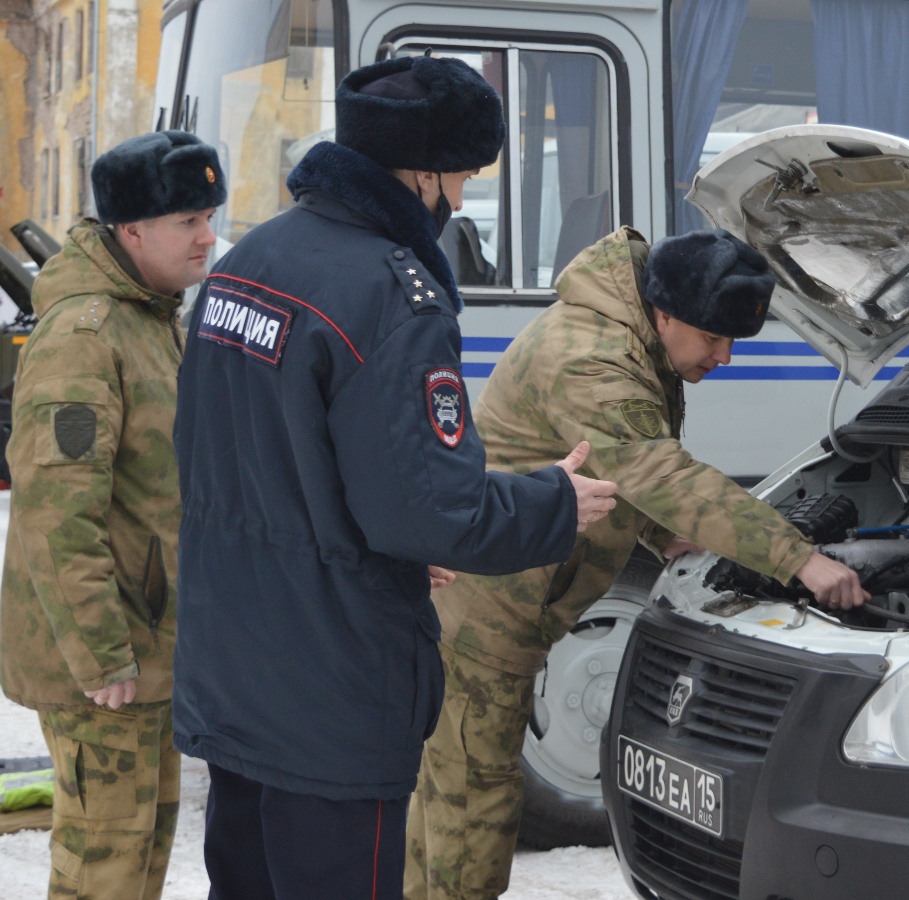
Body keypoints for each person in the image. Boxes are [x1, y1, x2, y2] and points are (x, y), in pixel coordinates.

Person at [169, 55, 618, 898]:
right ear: (421, 173)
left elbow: (238, 459)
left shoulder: (245, 263)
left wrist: (387, 535)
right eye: (463, 174)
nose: (462, 196)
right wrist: (556, 500)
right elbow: (430, 512)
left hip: (236, 672)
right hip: (331, 695)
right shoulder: (389, 294)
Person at [404, 226, 869, 898]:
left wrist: (659, 535)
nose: (726, 356)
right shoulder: (590, 356)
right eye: (714, 337)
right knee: (469, 813)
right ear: (665, 313)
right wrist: (797, 559)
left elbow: (617, 462)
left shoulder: (631, 335)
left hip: (505, 597)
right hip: (484, 615)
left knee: (454, 799)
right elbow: (658, 469)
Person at [0, 130, 225, 899]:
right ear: (132, 231)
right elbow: (56, 510)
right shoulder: (87, 335)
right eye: (189, 221)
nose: (209, 236)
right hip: (105, 660)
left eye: (209, 216)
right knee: (104, 868)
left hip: (147, 647)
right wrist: (100, 656)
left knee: (140, 858)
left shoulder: (150, 314)